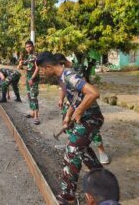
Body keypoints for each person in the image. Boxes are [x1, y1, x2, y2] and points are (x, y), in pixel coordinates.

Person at [37, 53, 104, 205]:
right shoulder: (62, 78)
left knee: (72, 151)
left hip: (91, 119)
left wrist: (79, 111)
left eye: (42, 70)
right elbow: (75, 98)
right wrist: (68, 116)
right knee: (84, 151)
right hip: (84, 118)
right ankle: (102, 180)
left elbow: (93, 93)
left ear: (48, 67)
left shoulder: (68, 75)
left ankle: (68, 197)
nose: (42, 73)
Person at [54, 53, 110, 164]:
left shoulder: (76, 69)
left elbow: (83, 91)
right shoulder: (62, 73)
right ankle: (72, 144)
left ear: (62, 63)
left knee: (90, 127)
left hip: (83, 103)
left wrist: (77, 109)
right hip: (71, 103)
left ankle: (101, 151)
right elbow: (63, 87)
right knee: (68, 123)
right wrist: (62, 100)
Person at [17, 40, 40, 125]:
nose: (28, 48)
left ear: (33, 47)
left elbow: (37, 68)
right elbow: (23, 66)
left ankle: (36, 117)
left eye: (30, 46)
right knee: (29, 96)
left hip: (34, 79)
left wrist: (32, 78)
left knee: (34, 97)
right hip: (28, 79)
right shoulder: (29, 56)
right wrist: (20, 64)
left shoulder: (36, 55)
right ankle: (32, 113)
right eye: (27, 47)